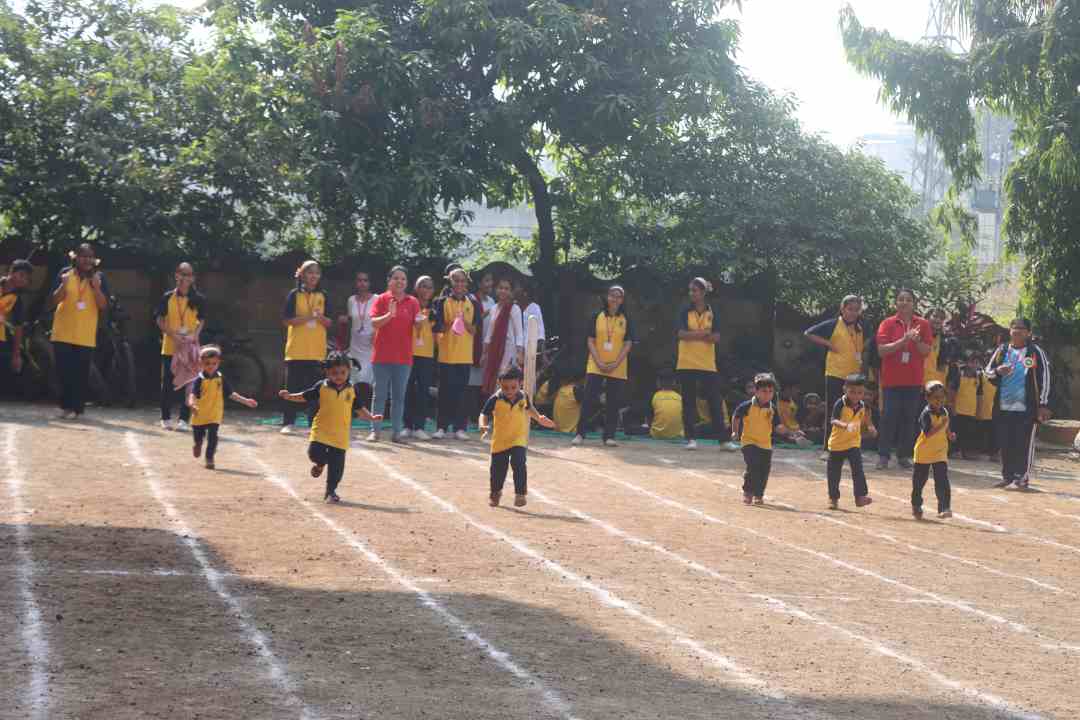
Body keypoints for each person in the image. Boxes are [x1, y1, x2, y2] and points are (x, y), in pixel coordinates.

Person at [279, 352, 382, 503]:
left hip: (340, 435)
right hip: (321, 430)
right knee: (314, 454)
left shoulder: (352, 390)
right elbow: (305, 396)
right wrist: (289, 396)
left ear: (348, 371)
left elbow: (359, 408)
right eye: (334, 373)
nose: (339, 376)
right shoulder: (322, 386)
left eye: (343, 372)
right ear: (327, 372)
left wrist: (371, 417)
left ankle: (330, 492)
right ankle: (320, 464)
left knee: (336, 467)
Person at [985, 318, 1051, 490]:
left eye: (1021, 328)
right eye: (1014, 328)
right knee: (1005, 442)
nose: (1017, 331)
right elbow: (988, 372)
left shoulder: (1035, 352)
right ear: (1009, 331)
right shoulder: (1002, 350)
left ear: (1028, 333)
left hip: (1027, 408)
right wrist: (998, 371)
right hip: (1003, 406)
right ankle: (1008, 477)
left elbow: (1045, 377)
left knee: (1023, 443)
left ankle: (1021, 479)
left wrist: (1043, 404)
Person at [479, 366, 556, 508]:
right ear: (499, 384)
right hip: (500, 441)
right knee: (498, 470)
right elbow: (484, 413)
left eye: (513, 387)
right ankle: (495, 493)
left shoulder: (523, 396)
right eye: (505, 388)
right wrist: (482, 425)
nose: (509, 391)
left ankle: (520, 494)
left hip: (518, 439)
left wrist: (539, 418)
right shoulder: (495, 399)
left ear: (520, 384)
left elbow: (529, 408)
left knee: (519, 463)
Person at [49, 244, 110, 419]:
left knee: (81, 374)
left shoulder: (99, 277)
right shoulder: (65, 273)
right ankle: (65, 407)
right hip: (62, 332)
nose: (87, 260)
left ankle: (78, 409)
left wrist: (96, 288)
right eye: (83, 256)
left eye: (90, 256)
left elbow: (103, 305)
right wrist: (63, 286)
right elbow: (53, 301)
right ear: (75, 257)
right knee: (63, 372)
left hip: (85, 334)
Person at [874, 289, 933, 469]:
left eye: (908, 300)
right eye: (901, 299)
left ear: (914, 303)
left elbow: (926, 351)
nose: (904, 302)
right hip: (891, 380)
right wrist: (904, 340)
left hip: (913, 380)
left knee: (909, 419)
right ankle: (883, 456)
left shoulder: (923, 324)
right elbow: (881, 351)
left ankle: (904, 455)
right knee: (888, 417)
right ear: (896, 303)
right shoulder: (887, 323)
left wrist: (916, 341)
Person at [574, 285, 634, 447]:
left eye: (618, 296)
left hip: (617, 366)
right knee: (588, 398)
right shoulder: (597, 316)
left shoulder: (626, 319)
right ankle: (580, 434)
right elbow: (590, 341)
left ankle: (609, 436)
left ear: (622, 300)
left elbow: (628, 344)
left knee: (613, 402)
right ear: (607, 297)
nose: (615, 299)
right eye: (612, 295)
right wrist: (599, 362)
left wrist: (616, 363)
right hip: (596, 364)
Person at [369, 266, 421, 443]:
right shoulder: (381, 299)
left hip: (403, 357)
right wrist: (389, 315)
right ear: (389, 280)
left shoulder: (412, 301)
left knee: (399, 397)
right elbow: (374, 323)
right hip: (381, 356)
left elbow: (417, 325)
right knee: (379, 395)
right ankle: (375, 431)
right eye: (396, 278)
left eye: (403, 279)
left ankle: (396, 432)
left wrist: (420, 323)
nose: (400, 282)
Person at [804, 294, 866, 443]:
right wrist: (829, 344)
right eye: (850, 309)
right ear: (842, 309)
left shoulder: (861, 327)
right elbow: (808, 333)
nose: (853, 312)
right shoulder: (833, 324)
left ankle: (847, 442)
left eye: (856, 310)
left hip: (854, 374)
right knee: (833, 409)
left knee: (851, 409)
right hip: (835, 372)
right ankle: (829, 445)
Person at [280, 260, 332, 434]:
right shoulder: (294, 294)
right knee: (292, 387)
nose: (313, 276)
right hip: (296, 349)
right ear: (302, 275)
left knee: (315, 389)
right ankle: (288, 422)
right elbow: (286, 320)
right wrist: (309, 317)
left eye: (316, 273)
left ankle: (313, 423)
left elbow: (329, 322)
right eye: (310, 272)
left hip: (317, 350)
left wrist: (320, 318)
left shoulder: (323, 295)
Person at [187, 345, 258, 470]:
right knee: (198, 438)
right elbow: (192, 394)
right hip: (199, 414)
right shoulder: (199, 379)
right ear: (201, 363)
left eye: (214, 363)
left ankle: (209, 458)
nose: (211, 366)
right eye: (207, 363)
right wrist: (192, 404)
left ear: (218, 363)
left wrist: (245, 401)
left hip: (214, 414)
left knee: (213, 437)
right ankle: (197, 444)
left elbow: (231, 394)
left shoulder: (220, 378)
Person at [676, 277, 726, 450]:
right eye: (690, 290)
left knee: (714, 401)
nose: (691, 293)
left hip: (707, 363)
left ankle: (724, 440)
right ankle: (690, 439)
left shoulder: (713, 311)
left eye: (695, 290)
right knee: (688, 402)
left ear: (703, 292)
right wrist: (704, 334)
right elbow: (681, 334)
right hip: (686, 361)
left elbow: (717, 337)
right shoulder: (684, 310)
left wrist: (694, 334)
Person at [155, 262, 206, 431]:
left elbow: (201, 320)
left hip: (190, 348)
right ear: (176, 276)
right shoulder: (167, 297)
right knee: (167, 383)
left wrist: (195, 335)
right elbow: (159, 320)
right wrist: (173, 335)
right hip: (171, 346)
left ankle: (184, 419)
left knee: (190, 384)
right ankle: (165, 418)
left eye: (189, 275)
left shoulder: (198, 299)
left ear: (193, 278)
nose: (185, 278)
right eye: (183, 274)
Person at [731, 373, 795, 505]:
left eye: (771, 392)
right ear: (756, 391)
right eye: (764, 391)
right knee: (753, 466)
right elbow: (736, 416)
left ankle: (759, 494)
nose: (768, 394)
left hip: (765, 444)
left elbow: (778, 426)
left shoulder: (772, 409)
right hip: (748, 441)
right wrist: (735, 431)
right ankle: (748, 492)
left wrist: (791, 432)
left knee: (764, 470)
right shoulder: (747, 406)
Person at [433, 267, 481, 439]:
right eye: (456, 281)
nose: (460, 284)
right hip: (446, 354)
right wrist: (452, 322)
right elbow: (438, 328)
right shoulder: (441, 302)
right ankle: (441, 427)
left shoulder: (473, 302)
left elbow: (474, 330)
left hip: (464, 356)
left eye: (462, 281)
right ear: (450, 282)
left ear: (466, 283)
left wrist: (464, 322)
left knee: (462, 393)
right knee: (444, 392)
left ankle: (460, 428)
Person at [825, 374, 878, 510]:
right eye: (852, 392)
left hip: (853, 443)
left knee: (858, 470)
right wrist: (845, 425)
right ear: (845, 389)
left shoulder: (863, 406)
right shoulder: (840, 403)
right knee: (834, 473)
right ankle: (833, 498)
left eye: (860, 392)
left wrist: (871, 428)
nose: (856, 395)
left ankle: (860, 497)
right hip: (837, 444)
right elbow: (833, 420)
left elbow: (867, 421)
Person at [911, 380, 956, 519]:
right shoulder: (926, 414)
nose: (939, 400)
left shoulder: (945, 411)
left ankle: (944, 507)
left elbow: (946, 426)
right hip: (924, 452)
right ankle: (916, 505)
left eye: (942, 397)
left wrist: (949, 434)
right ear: (928, 398)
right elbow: (928, 433)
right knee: (919, 482)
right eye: (936, 397)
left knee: (942, 479)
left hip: (940, 451)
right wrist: (941, 425)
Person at [339, 270, 376, 428]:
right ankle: (351, 412)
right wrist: (344, 320)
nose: (362, 283)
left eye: (365, 280)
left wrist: (377, 334)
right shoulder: (351, 300)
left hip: (371, 347)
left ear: (370, 283)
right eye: (359, 280)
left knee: (369, 381)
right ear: (356, 283)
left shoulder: (377, 299)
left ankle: (368, 414)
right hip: (355, 346)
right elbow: (351, 320)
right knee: (352, 381)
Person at [403, 275, 436, 439]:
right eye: (423, 286)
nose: (426, 290)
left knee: (423, 390)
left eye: (429, 287)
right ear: (416, 288)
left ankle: (420, 427)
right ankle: (407, 426)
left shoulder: (435, 309)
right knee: (407, 389)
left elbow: (438, 332)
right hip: (408, 352)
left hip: (427, 354)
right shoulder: (409, 304)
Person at [481, 277, 525, 394]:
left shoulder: (514, 308)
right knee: (494, 381)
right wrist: (484, 353)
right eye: (501, 288)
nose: (503, 291)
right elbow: (489, 333)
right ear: (496, 289)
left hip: (509, 351)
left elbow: (519, 333)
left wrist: (520, 353)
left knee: (505, 381)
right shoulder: (494, 308)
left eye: (506, 288)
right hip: (494, 351)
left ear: (511, 291)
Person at [0, 259, 32, 391]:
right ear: (11, 272)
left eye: (26, 278)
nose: (23, 280)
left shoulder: (16, 300)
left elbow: (18, 327)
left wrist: (16, 355)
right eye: (21, 275)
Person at [468, 272, 496, 421]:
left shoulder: (492, 300)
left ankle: (483, 414)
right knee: (473, 381)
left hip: (488, 346)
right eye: (486, 280)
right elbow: (472, 320)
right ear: (479, 284)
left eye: (491, 280)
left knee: (485, 382)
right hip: (474, 346)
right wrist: (487, 312)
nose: (490, 284)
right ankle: (472, 414)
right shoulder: (472, 299)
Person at [951, 353, 981, 460]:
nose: (974, 365)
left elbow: (978, 395)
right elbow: (952, 391)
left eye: (977, 363)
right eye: (973, 362)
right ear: (968, 363)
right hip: (958, 409)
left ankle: (964, 452)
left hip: (970, 410)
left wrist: (977, 410)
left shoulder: (978, 377)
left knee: (967, 433)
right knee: (956, 432)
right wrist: (952, 406)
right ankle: (954, 451)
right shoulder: (959, 374)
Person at [924, 308, 959, 388]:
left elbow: (942, 367)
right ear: (927, 317)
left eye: (941, 318)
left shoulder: (944, 340)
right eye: (935, 316)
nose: (938, 320)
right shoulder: (917, 333)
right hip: (913, 381)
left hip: (931, 384)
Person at [649, 374, 685, 440]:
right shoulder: (679, 397)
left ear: (658, 383)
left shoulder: (655, 396)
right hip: (677, 435)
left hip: (657, 434)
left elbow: (650, 416)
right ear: (674, 382)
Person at [976, 358, 999, 461]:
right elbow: (978, 392)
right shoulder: (981, 375)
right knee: (981, 432)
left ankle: (993, 453)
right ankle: (981, 452)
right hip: (983, 409)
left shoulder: (1001, 377)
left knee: (994, 433)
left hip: (995, 410)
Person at [516, 281, 545, 350]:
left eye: (518, 287)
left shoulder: (534, 308)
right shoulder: (514, 307)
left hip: (529, 350)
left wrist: (542, 352)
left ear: (525, 293)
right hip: (515, 349)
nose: (516, 290)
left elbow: (540, 331)